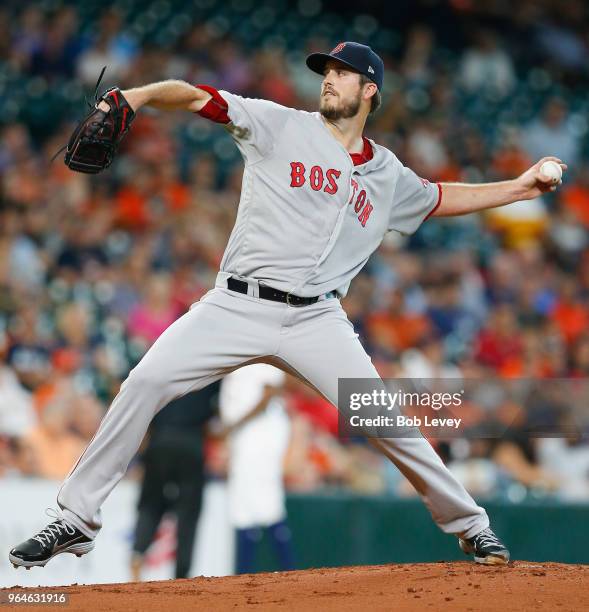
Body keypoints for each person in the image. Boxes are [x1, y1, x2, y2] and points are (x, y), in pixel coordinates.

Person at [10, 41, 566, 570]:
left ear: (370, 90)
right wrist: (140, 96)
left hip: (317, 318)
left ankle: (471, 525)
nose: (328, 78)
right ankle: (75, 518)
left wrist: (518, 189)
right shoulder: (279, 124)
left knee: (386, 420)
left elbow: (442, 197)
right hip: (236, 303)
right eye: (325, 71)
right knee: (145, 382)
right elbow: (197, 95)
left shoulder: (388, 174)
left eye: (341, 73)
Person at [130, 384, 219, 581]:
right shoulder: (209, 363)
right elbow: (218, 407)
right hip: (191, 440)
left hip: (159, 439)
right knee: (188, 510)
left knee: (151, 503)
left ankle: (138, 553)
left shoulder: (162, 357)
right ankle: (182, 574)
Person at [219, 364, 294, 574]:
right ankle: (243, 576)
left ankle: (290, 572)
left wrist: (233, 426)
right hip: (244, 438)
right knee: (243, 507)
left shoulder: (263, 355)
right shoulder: (235, 361)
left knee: (268, 503)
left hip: (262, 434)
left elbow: (268, 394)